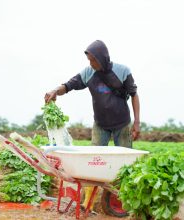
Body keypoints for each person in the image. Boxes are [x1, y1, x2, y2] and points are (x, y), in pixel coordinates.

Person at [44, 40, 140, 211]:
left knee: (126, 166)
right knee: (92, 163)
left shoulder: (123, 71)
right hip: (100, 125)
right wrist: (54, 91)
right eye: (89, 60)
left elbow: (134, 95)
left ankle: (126, 201)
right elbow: (69, 85)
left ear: (102, 58)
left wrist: (137, 123)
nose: (90, 64)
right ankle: (88, 203)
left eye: (93, 60)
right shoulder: (89, 73)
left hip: (122, 124)